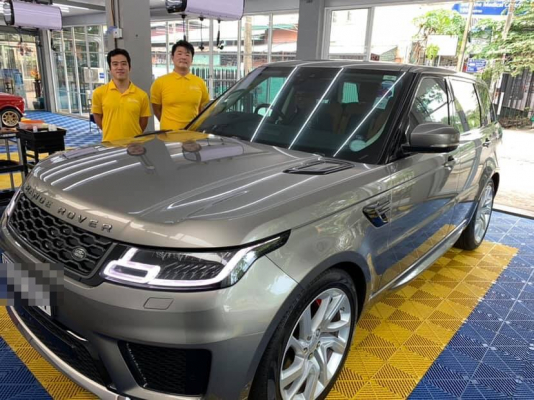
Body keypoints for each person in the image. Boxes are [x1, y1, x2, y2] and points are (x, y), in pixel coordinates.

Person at [91, 48, 151, 142]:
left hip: (134, 145)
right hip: (110, 144)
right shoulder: (99, 93)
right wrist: (109, 131)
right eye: (115, 64)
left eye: (124, 64)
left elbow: (143, 121)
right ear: (110, 69)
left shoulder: (142, 95)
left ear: (129, 67)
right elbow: (97, 116)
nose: (120, 67)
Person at [151, 40, 210, 131]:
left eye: (187, 54)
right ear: (172, 57)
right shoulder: (160, 82)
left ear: (192, 59)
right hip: (168, 134)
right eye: (179, 53)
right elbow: (156, 108)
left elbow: (203, 109)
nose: (183, 57)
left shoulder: (200, 82)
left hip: (192, 134)